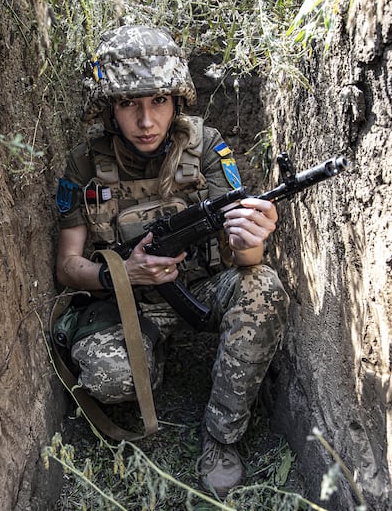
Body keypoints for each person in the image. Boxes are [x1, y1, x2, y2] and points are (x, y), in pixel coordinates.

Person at [54, 25, 289, 497]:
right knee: (108, 375)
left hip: (200, 286)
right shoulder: (85, 163)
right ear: (107, 109)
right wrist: (122, 273)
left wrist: (252, 236)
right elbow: (67, 267)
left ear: (177, 101)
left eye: (158, 101)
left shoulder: (206, 148)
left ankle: (222, 438)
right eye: (129, 104)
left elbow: (243, 259)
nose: (145, 120)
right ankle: (151, 357)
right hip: (126, 304)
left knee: (263, 287)